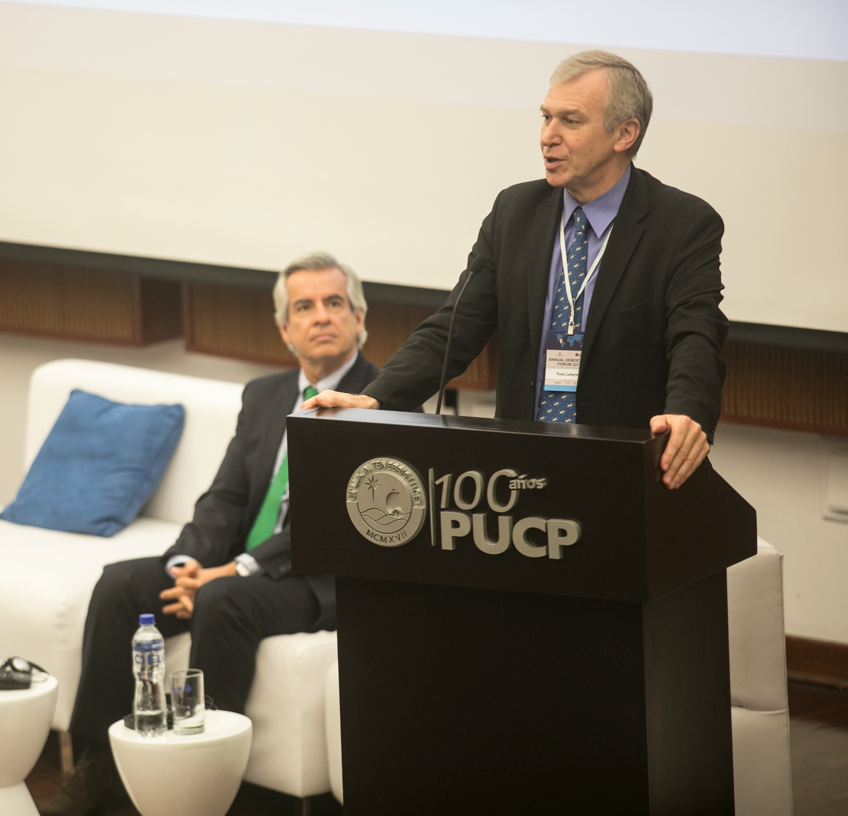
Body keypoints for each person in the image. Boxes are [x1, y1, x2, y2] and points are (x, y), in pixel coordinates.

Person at [42, 252, 379, 816]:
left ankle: (210, 788)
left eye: (334, 303)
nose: (321, 316)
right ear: (284, 328)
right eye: (305, 306)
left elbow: (335, 520)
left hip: (320, 576)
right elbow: (224, 500)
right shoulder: (264, 395)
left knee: (223, 600)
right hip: (238, 570)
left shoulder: (382, 397)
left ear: (360, 318)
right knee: (121, 584)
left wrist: (231, 571)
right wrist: (185, 566)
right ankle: (99, 768)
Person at [307, 50, 727, 491]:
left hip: (626, 470)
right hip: (517, 472)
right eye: (546, 117)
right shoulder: (515, 211)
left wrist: (687, 414)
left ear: (625, 133)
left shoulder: (681, 225)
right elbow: (455, 326)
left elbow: (695, 335)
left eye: (571, 121)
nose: (548, 136)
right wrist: (377, 397)